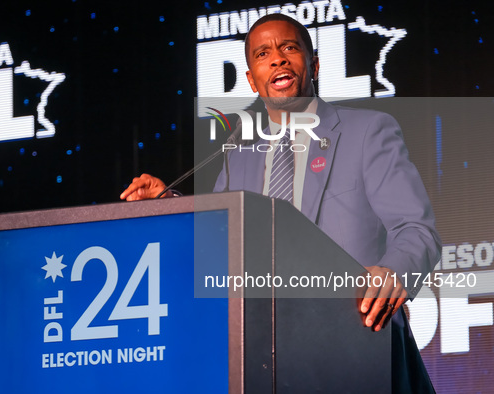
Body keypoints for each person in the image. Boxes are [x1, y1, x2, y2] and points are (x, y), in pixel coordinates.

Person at [121, 13, 440, 392]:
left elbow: (417, 231)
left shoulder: (368, 131)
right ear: (251, 79)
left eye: (290, 48)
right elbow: (219, 236)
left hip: (359, 347)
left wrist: (394, 275)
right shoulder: (238, 155)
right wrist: (167, 204)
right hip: (268, 357)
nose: (278, 59)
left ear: (315, 64)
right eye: (263, 54)